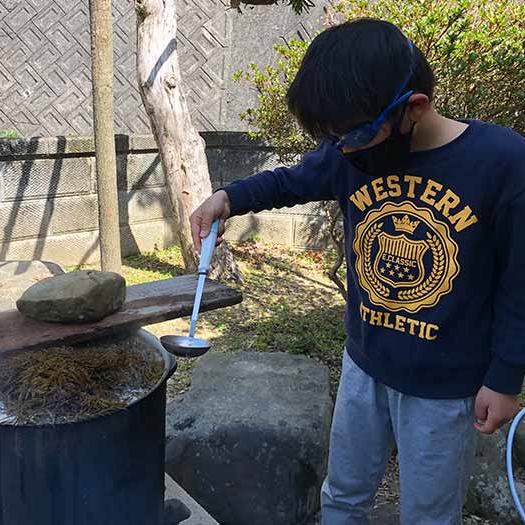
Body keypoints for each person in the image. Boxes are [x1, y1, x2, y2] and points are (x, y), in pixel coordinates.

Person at [190, 18, 525, 524]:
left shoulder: (502, 162)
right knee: (342, 495)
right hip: (363, 365)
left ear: (414, 107)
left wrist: (504, 378)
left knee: (428, 515)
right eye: (332, 139)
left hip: (445, 385)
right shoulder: (351, 150)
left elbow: (519, 284)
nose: (340, 150)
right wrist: (228, 196)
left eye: (353, 136)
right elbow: (292, 180)